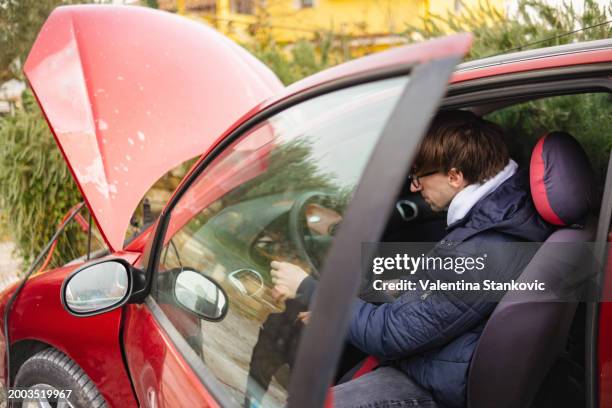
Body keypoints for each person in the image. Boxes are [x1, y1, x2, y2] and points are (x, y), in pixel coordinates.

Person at [270, 110, 554, 408]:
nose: (414, 188)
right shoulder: (505, 211)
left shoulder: (487, 247)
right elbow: (440, 296)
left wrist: (309, 289)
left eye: (419, 177)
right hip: (442, 360)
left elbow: (390, 333)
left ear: (455, 177)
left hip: (436, 386)